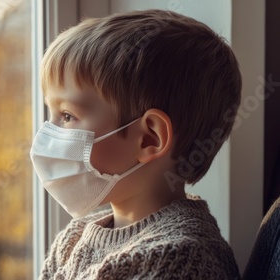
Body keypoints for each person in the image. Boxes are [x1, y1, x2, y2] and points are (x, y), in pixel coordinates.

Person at [29, 9, 241, 279]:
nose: (48, 133)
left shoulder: (177, 260)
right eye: (52, 114)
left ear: (149, 138)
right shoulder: (73, 238)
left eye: (68, 116)